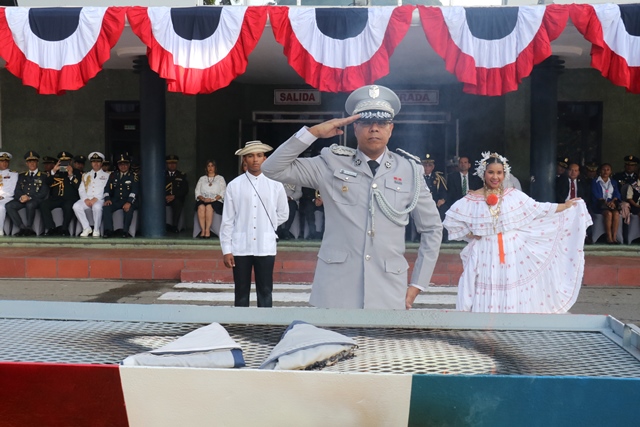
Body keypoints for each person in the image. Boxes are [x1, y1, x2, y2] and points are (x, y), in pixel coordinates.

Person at [262, 84, 443, 310]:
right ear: (355, 127)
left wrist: (418, 284)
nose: (374, 129)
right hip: (335, 290)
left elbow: (432, 228)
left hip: (388, 291)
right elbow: (271, 168)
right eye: (366, 123)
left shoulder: (410, 170)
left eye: (381, 123)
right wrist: (313, 133)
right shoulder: (330, 163)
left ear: (391, 128)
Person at [443, 152, 591, 314]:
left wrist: (565, 206)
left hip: (511, 251)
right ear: (483, 173)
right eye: (491, 172)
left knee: (509, 286)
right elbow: (451, 220)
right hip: (485, 251)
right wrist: (471, 234)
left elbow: (538, 208)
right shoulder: (473, 198)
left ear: (504, 174)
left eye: (499, 173)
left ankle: (508, 322)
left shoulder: (513, 195)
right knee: (486, 285)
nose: (495, 177)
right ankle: (485, 323)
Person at [220, 141, 288, 307]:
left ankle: (264, 321)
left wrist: (267, 226)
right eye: (250, 156)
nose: (255, 159)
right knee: (241, 291)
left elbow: (283, 213)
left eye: (259, 155)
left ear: (265, 158)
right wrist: (226, 249)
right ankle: (241, 321)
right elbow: (228, 220)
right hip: (240, 246)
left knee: (265, 290)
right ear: (244, 159)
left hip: (265, 245)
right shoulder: (234, 185)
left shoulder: (276, 185)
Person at [5, 151, 49, 236]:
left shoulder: (43, 176)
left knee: (30, 204)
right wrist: (21, 197)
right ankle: (22, 228)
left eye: (34, 161)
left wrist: (29, 197)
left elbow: (43, 192)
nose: (32, 164)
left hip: (36, 200)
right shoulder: (21, 175)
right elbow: (17, 190)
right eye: (29, 162)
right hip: (23, 199)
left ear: (37, 162)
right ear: (26, 163)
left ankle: (29, 228)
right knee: (9, 206)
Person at [40, 151, 81, 236]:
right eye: (62, 162)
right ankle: (51, 228)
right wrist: (53, 171)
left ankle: (64, 229)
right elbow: (47, 182)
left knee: (68, 206)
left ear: (70, 162)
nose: (64, 164)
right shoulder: (55, 172)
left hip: (70, 199)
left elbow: (78, 186)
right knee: (44, 205)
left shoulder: (76, 172)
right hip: (56, 198)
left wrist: (71, 175)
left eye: (66, 162)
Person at [74, 152, 111, 237]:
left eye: (98, 161)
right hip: (87, 199)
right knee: (76, 206)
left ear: (101, 163)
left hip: (99, 199)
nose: (96, 164)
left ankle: (96, 229)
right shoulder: (85, 175)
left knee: (97, 207)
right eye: (94, 161)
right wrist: (85, 199)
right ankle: (86, 228)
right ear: (91, 163)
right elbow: (81, 189)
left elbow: (106, 189)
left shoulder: (107, 175)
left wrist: (96, 198)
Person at [102, 154, 139, 238]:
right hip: (116, 200)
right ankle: (109, 230)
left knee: (129, 209)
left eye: (125, 164)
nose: (123, 166)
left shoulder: (133, 176)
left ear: (129, 165)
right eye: (121, 164)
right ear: (118, 166)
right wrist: (107, 199)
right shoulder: (113, 175)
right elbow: (107, 189)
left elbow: (135, 191)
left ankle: (125, 231)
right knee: (106, 207)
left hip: (128, 200)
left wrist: (129, 202)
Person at [194, 160, 226, 239]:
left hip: (216, 201)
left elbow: (223, 191)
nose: (210, 168)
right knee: (201, 207)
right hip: (203, 200)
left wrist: (213, 199)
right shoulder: (202, 179)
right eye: (208, 166)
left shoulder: (220, 178)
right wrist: (203, 199)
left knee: (209, 207)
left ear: (215, 168)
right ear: (206, 168)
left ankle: (207, 230)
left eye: (212, 166)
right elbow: (197, 191)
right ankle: (203, 230)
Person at [591, 163, 622, 244]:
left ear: (610, 172)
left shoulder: (613, 182)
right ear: (600, 171)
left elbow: (617, 194)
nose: (605, 172)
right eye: (603, 169)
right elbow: (596, 194)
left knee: (616, 214)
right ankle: (609, 237)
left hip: (611, 204)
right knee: (608, 214)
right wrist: (606, 203)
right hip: (600, 205)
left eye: (608, 170)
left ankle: (614, 237)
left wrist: (613, 201)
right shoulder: (595, 181)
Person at [165, 154, 189, 233]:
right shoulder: (162, 174)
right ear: (167, 164)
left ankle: (174, 226)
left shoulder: (181, 175)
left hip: (176, 198)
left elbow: (185, 190)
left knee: (178, 204)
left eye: (174, 163)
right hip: (164, 198)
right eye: (170, 163)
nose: (172, 165)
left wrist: (174, 196)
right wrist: (165, 196)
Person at [0, 152, 18, 236]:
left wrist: (2, 196)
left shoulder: (13, 174)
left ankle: (0, 230)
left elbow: (12, 190)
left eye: (6, 161)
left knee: (0, 207)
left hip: (7, 198)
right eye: (2, 161)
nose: (4, 163)